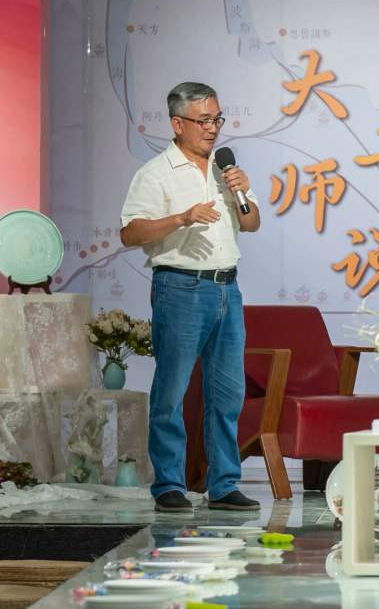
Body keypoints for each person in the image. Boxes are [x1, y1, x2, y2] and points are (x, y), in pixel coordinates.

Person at [120, 82, 261, 512]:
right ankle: (169, 484)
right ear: (178, 124)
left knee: (228, 393)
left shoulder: (225, 169)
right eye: (203, 120)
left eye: (217, 119)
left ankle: (223, 484)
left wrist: (241, 191)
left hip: (227, 288)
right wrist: (181, 218)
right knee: (172, 391)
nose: (213, 128)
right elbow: (130, 232)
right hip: (180, 288)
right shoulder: (156, 173)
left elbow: (251, 223)